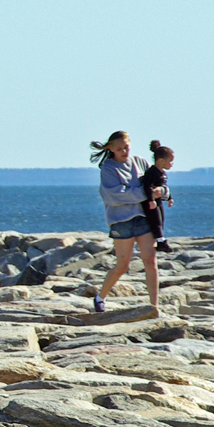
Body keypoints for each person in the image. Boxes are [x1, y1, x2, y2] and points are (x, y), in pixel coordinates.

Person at [90, 130, 159, 313]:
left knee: (150, 261)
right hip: (121, 222)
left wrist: (163, 193)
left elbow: (156, 182)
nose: (124, 151)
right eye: (119, 149)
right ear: (111, 149)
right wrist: (145, 194)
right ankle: (100, 297)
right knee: (122, 265)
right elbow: (115, 196)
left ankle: (154, 306)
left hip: (143, 219)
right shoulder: (108, 169)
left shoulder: (140, 162)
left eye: (126, 147)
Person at [142, 139, 175, 252]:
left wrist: (169, 198)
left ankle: (160, 240)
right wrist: (151, 200)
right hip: (151, 202)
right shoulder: (152, 172)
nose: (172, 164)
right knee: (155, 220)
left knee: (161, 219)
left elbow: (163, 186)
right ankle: (160, 241)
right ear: (161, 161)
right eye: (170, 161)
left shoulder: (162, 173)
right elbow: (147, 186)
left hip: (159, 201)